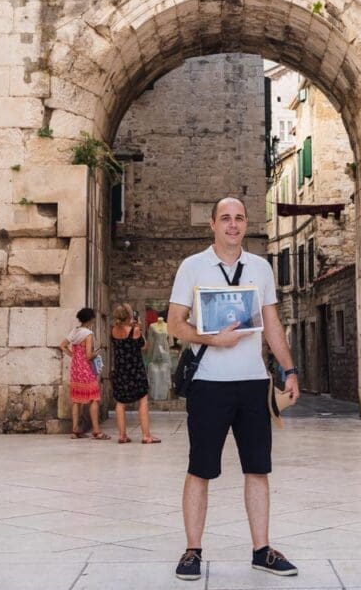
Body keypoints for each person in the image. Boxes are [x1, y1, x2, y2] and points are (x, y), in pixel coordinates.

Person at [167, 197, 301, 582]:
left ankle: (262, 551)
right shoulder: (192, 266)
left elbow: (272, 324)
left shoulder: (260, 268)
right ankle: (192, 551)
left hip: (253, 383)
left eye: (239, 218)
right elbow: (175, 323)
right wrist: (212, 339)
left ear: (246, 224)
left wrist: (289, 369)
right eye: (225, 218)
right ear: (212, 224)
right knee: (200, 468)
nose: (232, 224)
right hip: (208, 384)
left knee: (258, 468)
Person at [111, 303, 160, 444]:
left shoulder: (113, 330)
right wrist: (139, 328)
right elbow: (144, 346)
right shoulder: (135, 330)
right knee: (143, 400)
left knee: (120, 403)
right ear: (129, 315)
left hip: (120, 371)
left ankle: (122, 435)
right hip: (135, 370)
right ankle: (146, 435)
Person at [60, 307, 109, 440]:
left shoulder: (75, 331)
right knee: (93, 398)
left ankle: (75, 429)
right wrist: (96, 354)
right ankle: (97, 431)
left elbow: (62, 345)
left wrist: (74, 356)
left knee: (77, 400)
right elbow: (88, 355)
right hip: (86, 370)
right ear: (90, 319)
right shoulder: (88, 334)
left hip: (76, 370)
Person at [147, 315, 172, 401]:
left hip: (165, 347)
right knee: (154, 370)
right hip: (155, 348)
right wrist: (149, 353)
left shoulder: (168, 326)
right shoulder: (152, 326)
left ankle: (165, 393)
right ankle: (154, 392)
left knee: (165, 370)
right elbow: (150, 340)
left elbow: (170, 341)